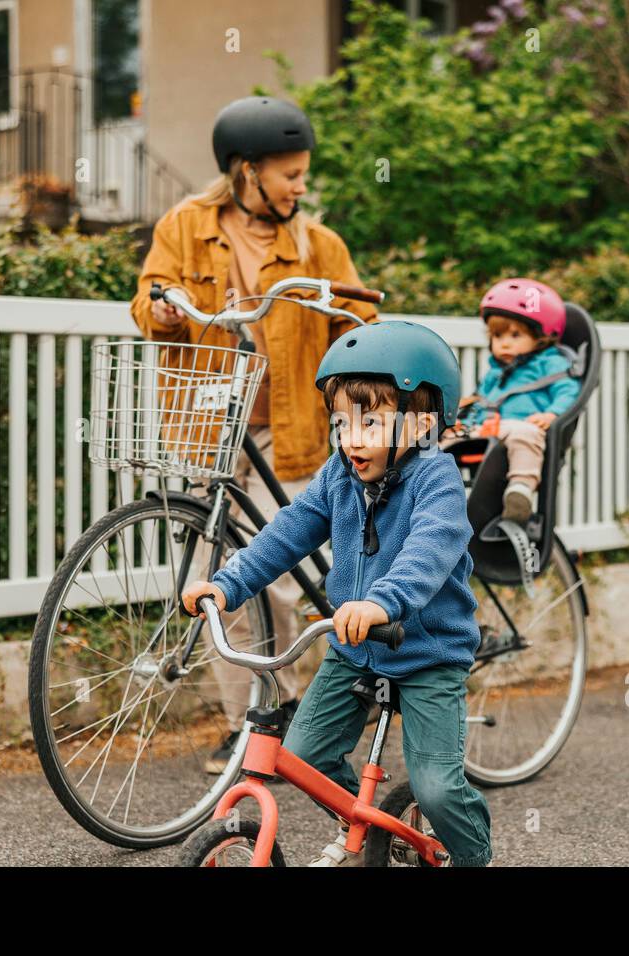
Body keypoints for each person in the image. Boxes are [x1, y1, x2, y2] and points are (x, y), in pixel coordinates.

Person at [180, 321, 494, 868]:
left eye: (370, 421)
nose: (351, 437)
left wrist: (383, 601)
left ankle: (472, 856)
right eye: (341, 422)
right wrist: (228, 583)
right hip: (355, 651)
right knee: (303, 756)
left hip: (427, 655)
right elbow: (289, 530)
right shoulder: (340, 476)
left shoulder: (437, 480)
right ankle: (361, 823)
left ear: (421, 425)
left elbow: (429, 550)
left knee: (438, 789)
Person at [130, 95, 378, 773]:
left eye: (303, 174)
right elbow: (150, 297)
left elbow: (355, 326)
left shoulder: (318, 245)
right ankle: (248, 724)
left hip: (290, 430)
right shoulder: (187, 226)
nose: (301, 186)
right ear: (247, 172)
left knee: (274, 579)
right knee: (219, 582)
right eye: (290, 174)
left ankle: (286, 711)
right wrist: (164, 310)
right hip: (209, 423)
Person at [442, 278, 580, 524]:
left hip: (521, 425)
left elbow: (568, 390)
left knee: (526, 434)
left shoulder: (550, 363)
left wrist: (553, 414)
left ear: (540, 337)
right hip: (487, 428)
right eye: (497, 335)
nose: (504, 342)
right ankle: (428, 490)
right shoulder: (496, 372)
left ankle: (520, 490)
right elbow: (482, 400)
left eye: (515, 334)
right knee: (441, 437)